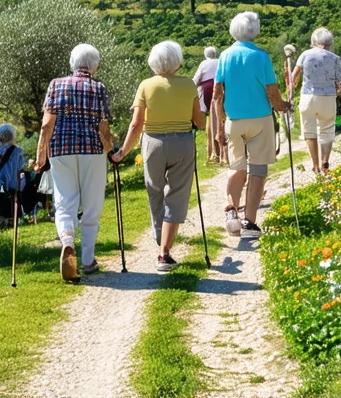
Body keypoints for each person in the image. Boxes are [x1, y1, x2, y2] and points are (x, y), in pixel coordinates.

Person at [111, 41, 204, 272]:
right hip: (182, 142)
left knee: (154, 190)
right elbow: (199, 122)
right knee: (177, 195)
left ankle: (159, 236)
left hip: (153, 142)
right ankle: (164, 252)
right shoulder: (189, 84)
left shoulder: (146, 85)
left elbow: (136, 125)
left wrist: (122, 152)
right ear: (178, 61)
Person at [35, 44, 113, 281]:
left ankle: (67, 241)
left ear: (73, 63)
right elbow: (103, 125)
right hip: (92, 151)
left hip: (61, 150)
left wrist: (40, 156)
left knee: (64, 202)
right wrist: (111, 150)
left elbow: (46, 125)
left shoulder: (55, 84)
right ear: (94, 65)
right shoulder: (98, 87)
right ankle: (88, 261)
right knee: (92, 205)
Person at [213, 12, 291, 239]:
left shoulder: (225, 56)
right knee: (257, 171)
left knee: (237, 167)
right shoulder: (261, 56)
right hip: (260, 119)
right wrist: (283, 106)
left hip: (234, 120)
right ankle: (249, 221)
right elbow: (272, 92)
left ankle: (232, 209)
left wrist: (219, 127)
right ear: (255, 31)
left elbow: (217, 94)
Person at [290, 28, 341, 175]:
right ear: (330, 42)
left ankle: (315, 165)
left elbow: (294, 75)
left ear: (313, 41)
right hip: (328, 97)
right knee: (327, 129)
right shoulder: (335, 58)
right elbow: (340, 83)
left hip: (308, 96)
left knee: (309, 131)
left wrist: (291, 91)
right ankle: (325, 161)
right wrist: (338, 91)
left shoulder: (305, 54)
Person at [192, 46, 221, 162]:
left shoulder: (204, 64)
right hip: (221, 89)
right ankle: (219, 150)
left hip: (207, 91)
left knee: (210, 118)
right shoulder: (220, 61)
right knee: (220, 117)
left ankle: (212, 152)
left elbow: (196, 79)